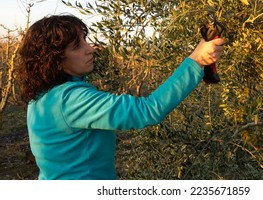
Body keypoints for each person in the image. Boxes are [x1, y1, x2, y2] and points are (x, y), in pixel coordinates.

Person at [17, 14, 225, 180]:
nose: (90, 49)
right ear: (55, 60)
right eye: (78, 46)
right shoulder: (70, 100)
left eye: (85, 41)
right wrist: (196, 60)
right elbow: (148, 110)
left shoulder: (41, 98)